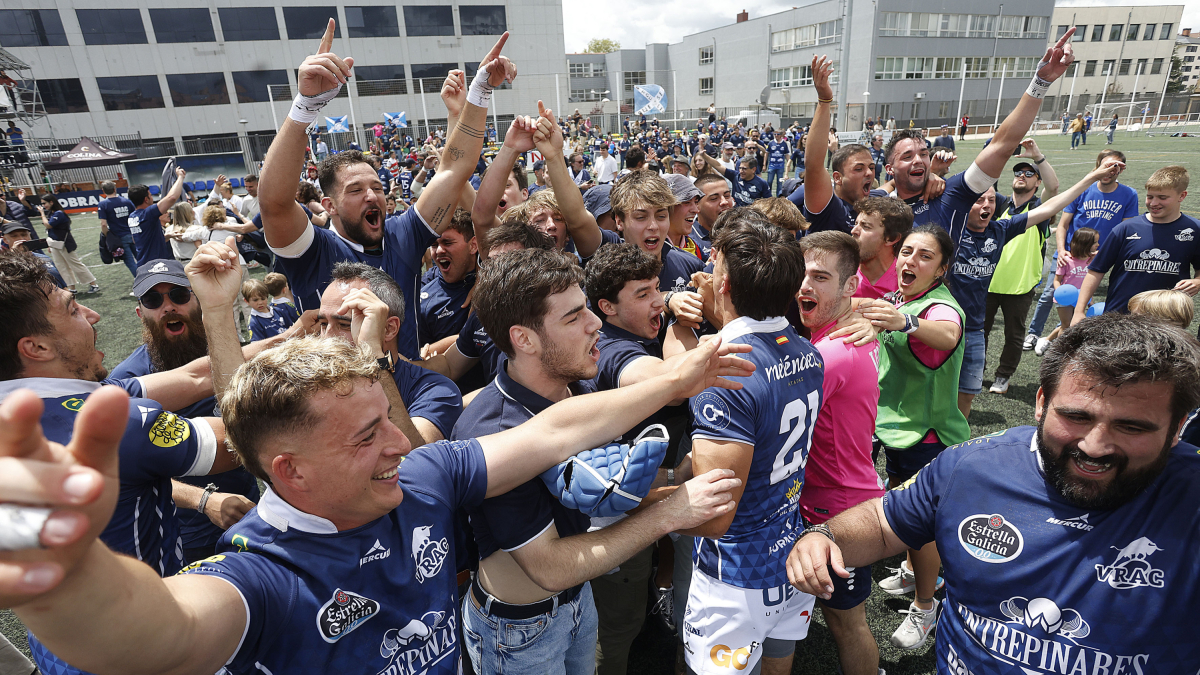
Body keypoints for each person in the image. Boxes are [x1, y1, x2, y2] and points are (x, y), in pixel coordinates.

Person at [0, 236, 746, 675]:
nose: (400, 438)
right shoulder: (264, 570)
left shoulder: (420, 476)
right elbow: (159, 630)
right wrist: (67, 580)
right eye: (365, 435)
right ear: (289, 471)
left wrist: (675, 378)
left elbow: (553, 432)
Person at [788, 313, 1200, 674]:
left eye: (1132, 427)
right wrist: (827, 538)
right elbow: (883, 524)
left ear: (1179, 426)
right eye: (1076, 416)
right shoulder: (971, 467)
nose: (1095, 446)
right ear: (1041, 402)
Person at [454, 247, 749, 675]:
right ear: (524, 339)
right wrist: (671, 513)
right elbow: (549, 566)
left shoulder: (576, 385)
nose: (595, 323)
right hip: (519, 632)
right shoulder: (495, 432)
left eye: (588, 310)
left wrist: (672, 475)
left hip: (578, 600)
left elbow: (592, 486)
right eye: (573, 317)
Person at [259, 21, 509, 359]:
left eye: (377, 186)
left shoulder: (403, 233)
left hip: (406, 394)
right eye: (356, 190)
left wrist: (480, 91)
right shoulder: (312, 250)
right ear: (328, 206)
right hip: (336, 401)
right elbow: (274, 204)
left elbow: (454, 169)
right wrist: (305, 107)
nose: (372, 195)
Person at [681, 210, 820, 675]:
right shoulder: (810, 353)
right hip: (790, 554)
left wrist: (641, 503)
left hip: (737, 573)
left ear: (722, 283)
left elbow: (715, 515)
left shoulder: (725, 371)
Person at [108, 259, 268, 564]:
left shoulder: (225, 350)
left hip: (249, 506)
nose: (168, 306)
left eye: (179, 295)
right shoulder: (129, 381)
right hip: (188, 529)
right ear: (141, 313)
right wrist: (203, 500)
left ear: (196, 299)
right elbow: (124, 472)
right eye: (154, 300)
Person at [857, 225, 967, 650]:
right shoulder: (901, 298)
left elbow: (947, 333)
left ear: (942, 269)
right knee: (907, 513)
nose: (911, 261)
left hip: (927, 435)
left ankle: (926, 604)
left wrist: (907, 321)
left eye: (925, 256)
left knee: (920, 526)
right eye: (907, 252)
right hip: (894, 427)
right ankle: (912, 570)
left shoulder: (939, 307)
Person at [794, 231, 884, 675]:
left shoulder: (831, 353)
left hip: (837, 511)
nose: (804, 286)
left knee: (848, 625)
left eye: (820, 277)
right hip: (850, 496)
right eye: (802, 273)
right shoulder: (850, 334)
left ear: (850, 287)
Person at [317, 262, 462, 446]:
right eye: (323, 324)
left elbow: (416, 453)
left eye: (345, 325)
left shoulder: (435, 390)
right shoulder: (311, 387)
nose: (326, 338)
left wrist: (372, 354)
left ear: (389, 329)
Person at [1073, 165, 1200, 324]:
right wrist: (1079, 311)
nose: (1153, 203)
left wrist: (1197, 281)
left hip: (1168, 320)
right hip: (1119, 317)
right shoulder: (1125, 229)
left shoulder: (1194, 230)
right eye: (1150, 196)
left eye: (1162, 197)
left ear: (1182, 196)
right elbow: (1096, 271)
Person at [984, 144, 1060, 394]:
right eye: (1019, 173)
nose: (1022, 177)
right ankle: (977, 371)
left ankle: (1003, 376)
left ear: (1037, 183)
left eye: (1029, 174)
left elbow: (1054, 188)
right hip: (988, 282)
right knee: (978, 331)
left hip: (1019, 286)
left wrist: (1038, 156)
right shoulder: (1000, 204)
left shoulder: (1039, 210)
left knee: (1013, 335)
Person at [796, 56, 877, 236]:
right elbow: (814, 165)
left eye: (871, 167)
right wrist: (825, 100)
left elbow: (894, 186)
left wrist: (932, 175)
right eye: (859, 168)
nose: (869, 173)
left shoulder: (875, 200)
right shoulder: (830, 208)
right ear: (838, 178)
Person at [1031, 227, 1099, 356]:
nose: (1098, 244)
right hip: (1064, 298)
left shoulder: (1091, 261)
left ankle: (1046, 340)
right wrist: (1060, 293)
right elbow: (1057, 280)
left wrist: (1091, 301)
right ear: (1085, 243)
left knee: (1071, 324)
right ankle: (1059, 351)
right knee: (1066, 324)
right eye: (1095, 242)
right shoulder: (1066, 260)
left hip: (1081, 298)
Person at [419, 209, 478, 355]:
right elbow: (420, 358)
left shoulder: (495, 277)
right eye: (433, 245)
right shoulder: (425, 302)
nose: (438, 250)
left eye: (447, 242)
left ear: (473, 245)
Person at [851, 196, 912, 300]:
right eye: (855, 224)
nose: (854, 231)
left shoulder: (908, 281)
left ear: (891, 239)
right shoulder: (841, 272)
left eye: (865, 226)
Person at [35, 195, 99, 294]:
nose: (43, 206)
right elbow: (50, 230)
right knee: (61, 267)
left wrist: (42, 214)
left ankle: (93, 284)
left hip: (65, 244)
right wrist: (49, 245)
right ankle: (72, 288)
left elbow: (48, 225)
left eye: (44, 203)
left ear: (51, 202)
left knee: (75, 264)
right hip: (55, 244)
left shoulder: (59, 213)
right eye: (42, 203)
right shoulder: (52, 213)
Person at [129, 167, 188, 269]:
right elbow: (172, 198)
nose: (152, 198)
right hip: (156, 266)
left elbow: (142, 240)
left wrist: (166, 236)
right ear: (146, 199)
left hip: (144, 263)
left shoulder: (132, 217)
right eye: (150, 195)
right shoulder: (147, 213)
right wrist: (180, 177)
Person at [96, 181, 138, 276]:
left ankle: (142, 282)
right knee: (141, 258)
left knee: (130, 262)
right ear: (115, 189)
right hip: (133, 234)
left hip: (119, 237)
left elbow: (103, 224)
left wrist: (108, 236)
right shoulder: (127, 201)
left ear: (103, 190)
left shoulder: (103, 204)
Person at [689, 174, 734, 261]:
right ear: (697, 205)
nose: (724, 202)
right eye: (714, 198)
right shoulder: (689, 241)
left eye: (727, 196)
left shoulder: (743, 232)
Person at [766, 129, 791, 196]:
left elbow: (786, 155)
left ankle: (779, 196)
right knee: (769, 181)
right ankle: (768, 195)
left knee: (779, 182)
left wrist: (789, 164)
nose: (776, 135)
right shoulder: (771, 143)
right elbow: (767, 153)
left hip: (780, 166)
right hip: (771, 165)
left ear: (781, 135)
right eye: (775, 134)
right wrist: (764, 164)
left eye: (778, 134)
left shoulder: (784, 143)